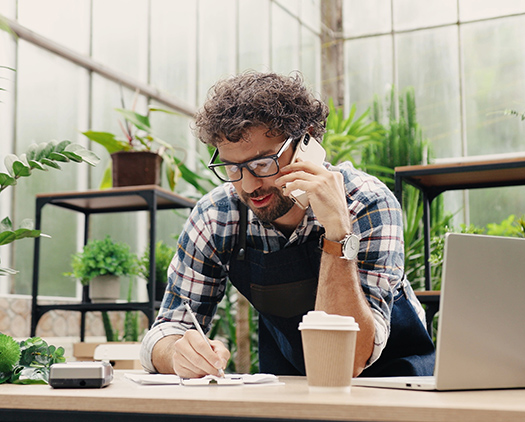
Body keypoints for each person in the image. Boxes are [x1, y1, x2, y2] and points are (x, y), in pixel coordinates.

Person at [140, 71, 435, 378]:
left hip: (395, 386)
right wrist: (179, 354)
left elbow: (347, 362)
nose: (250, 184)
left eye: (263, 163)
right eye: (232, 167)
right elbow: (168, 328)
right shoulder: (218, 216)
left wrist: (338, 233)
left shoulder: (366, 202)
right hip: (293, 385)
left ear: (306, 139)